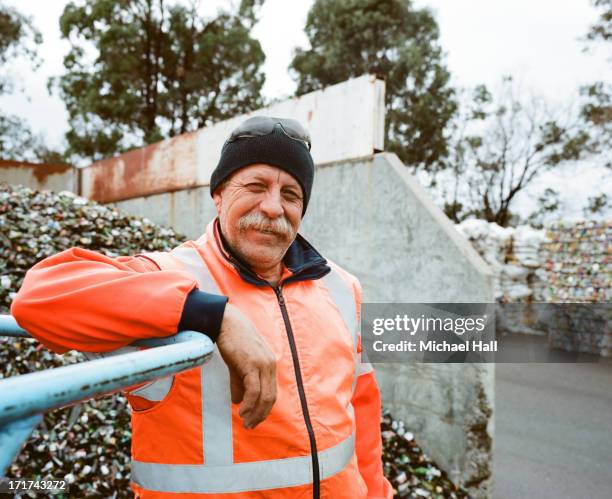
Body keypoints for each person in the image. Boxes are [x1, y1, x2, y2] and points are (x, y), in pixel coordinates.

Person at [12, 116, 393, 499]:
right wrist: (211, 315)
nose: (274, 207)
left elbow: (363, 416)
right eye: (256, 186)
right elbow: (39, 297)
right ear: (219, 194)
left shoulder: (344, 289)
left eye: (291, 194)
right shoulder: (173, 274)